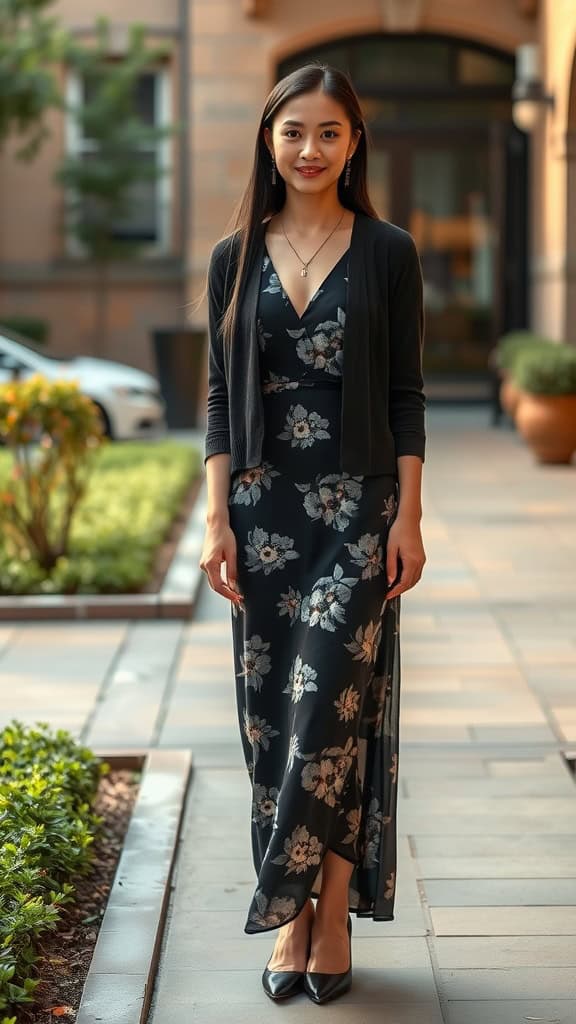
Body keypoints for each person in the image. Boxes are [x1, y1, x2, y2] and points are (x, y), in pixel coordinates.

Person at [198, 62, 426, 1005]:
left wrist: (410, 516)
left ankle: (321, 913)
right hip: (263, 516)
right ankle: (300, 919)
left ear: (353, 143)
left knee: (333, 704)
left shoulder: (387, 250)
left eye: (329, 132)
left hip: (357, 512)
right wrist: (217, 516)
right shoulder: (233, 255)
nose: (309, 150)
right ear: (268, 138)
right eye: (294, 132)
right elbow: (219, 399)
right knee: (277, 722)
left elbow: (407, 396)